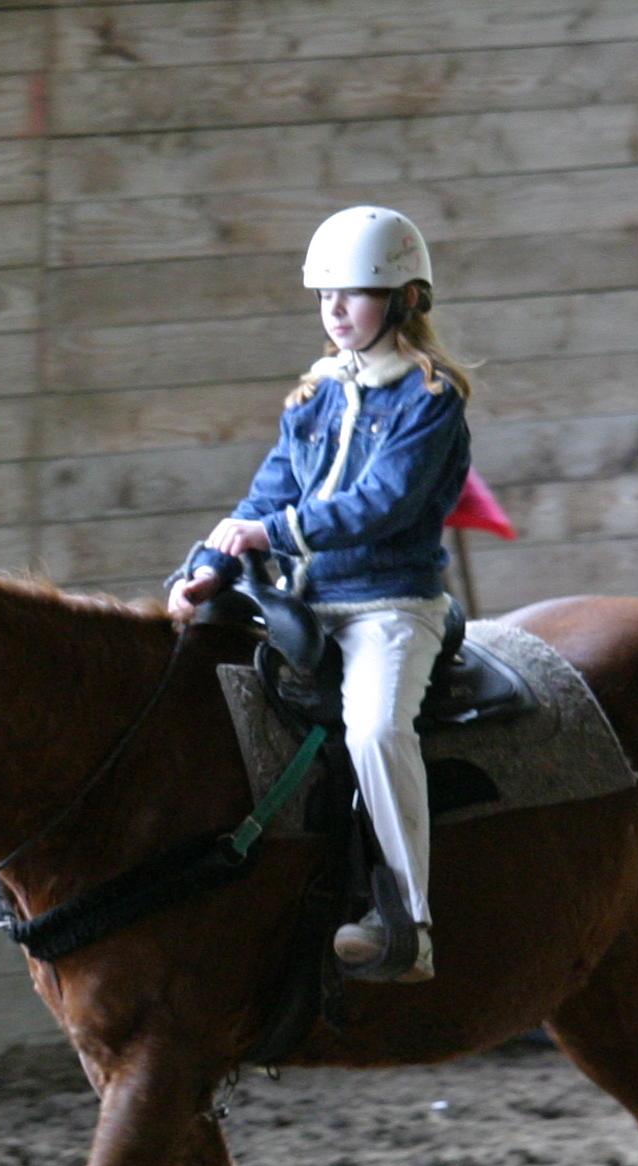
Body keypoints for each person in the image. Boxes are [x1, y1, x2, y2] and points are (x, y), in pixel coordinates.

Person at [168, 205, 475, 983]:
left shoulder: (431, 401)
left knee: (374, 729)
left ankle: (410, 925)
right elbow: (261, 496)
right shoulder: (314, 397)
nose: (335, 312)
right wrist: (204, 565)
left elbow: (385, 503)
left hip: (386, 606)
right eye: (324, 296)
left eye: (356, 294)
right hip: (302, 601)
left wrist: (274, 537)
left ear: (406, 301)